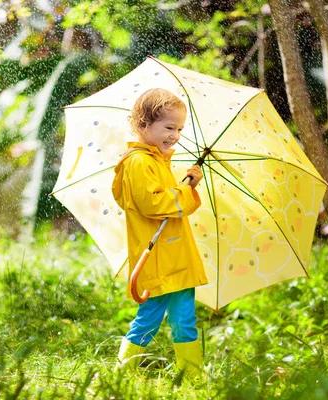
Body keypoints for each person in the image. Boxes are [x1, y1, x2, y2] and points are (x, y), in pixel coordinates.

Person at [111, 88, 208, 377]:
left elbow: (167, 198)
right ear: (143, 125)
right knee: (149, 319)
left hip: (176, 258)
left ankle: (191, 376)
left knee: (184, 320)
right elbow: (153, 203)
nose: (175, 135)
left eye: (179, 129)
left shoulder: (157, 161)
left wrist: (187, 187)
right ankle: (122, 374)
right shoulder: (138, 162)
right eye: (168, 127)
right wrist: (185, 192)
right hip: (158, 260)